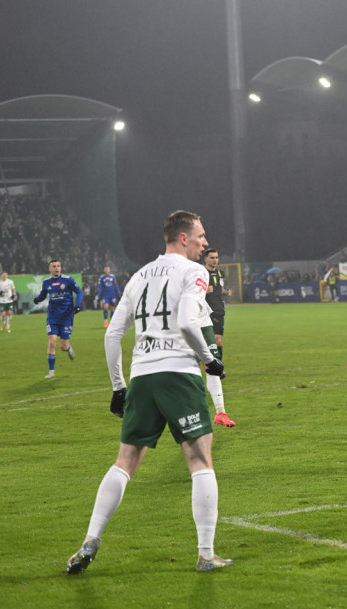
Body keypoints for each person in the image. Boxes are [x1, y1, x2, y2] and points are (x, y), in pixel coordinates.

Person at [65, 210, 231, 575]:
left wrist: (118, 387)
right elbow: (188, 321)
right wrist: (210, 361)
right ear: (183, 238)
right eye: (201, 236)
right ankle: (206, 554)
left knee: (125, 462)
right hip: (178, 374)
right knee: (200, 461)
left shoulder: (139, 275)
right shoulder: (194, 272)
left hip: (141, 376)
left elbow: (112, 335)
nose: (206, 243)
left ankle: (91, 539)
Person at [33, 259, 83, 378]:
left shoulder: (68, 280)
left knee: (63, 346)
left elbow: (79, 292)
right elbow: (43, 294)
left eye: (58, 266)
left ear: (61, 268)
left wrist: (78, 305)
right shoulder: (46, 282)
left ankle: (68, 347)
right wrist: (38, 299)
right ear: (49, 269)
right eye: (54, 266)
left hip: (66, 316)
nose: (56, 268)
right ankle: (51, 372)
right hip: (53, 317)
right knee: (52, 341)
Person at [203, 248, 235, 427]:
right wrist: (204, 291)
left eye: (216, 257)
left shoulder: (220, 273)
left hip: (219, 311)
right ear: (205, 259)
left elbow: (220, 288)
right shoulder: (201, 273)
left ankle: (217, 368)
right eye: (212, 258)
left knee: (218, 341)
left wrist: (225, 292)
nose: (215, 260)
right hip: (204, 314)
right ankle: (214, 367)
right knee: (212, 344)